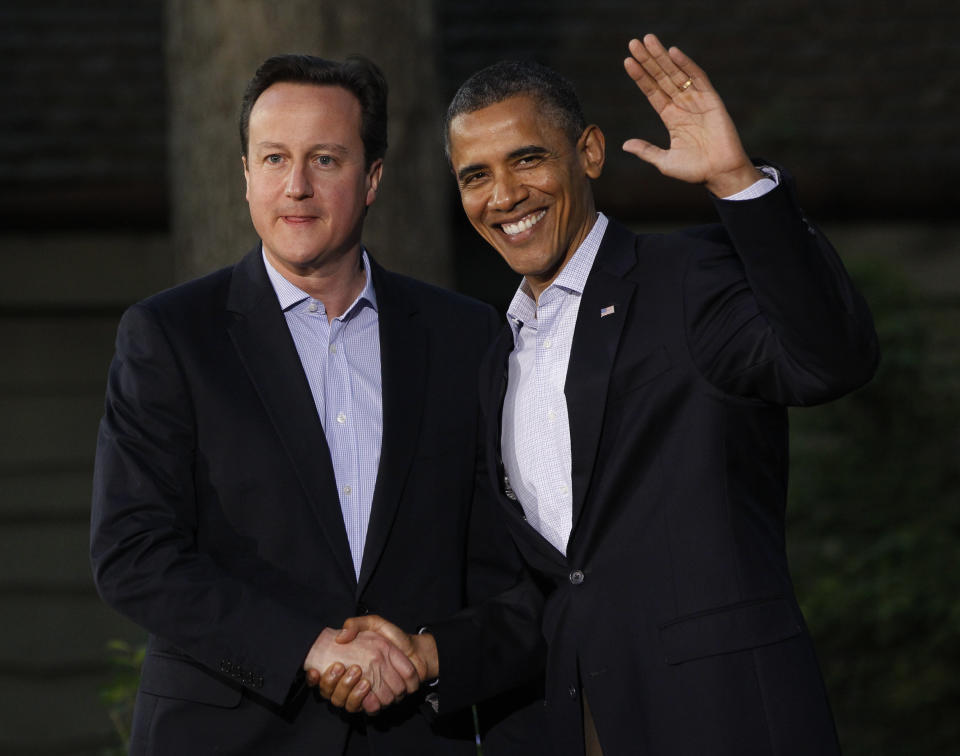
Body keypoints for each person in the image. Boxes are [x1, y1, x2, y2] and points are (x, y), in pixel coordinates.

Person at [335, 34, 879, 755]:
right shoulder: (496, 360)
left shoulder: (685, 276)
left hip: (724, 718)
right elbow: (557, 587)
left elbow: (832, 359)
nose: (504, 196)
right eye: (475, 176)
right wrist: (432, 653)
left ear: (588, 153)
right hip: (571, 725)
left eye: (527, 158)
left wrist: (738, 184)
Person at [90, 53, 544, 755]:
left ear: (372, 179)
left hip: (412, 737)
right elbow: (133, 553)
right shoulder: (171, 337)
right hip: (226, 737)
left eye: (325, 159)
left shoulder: (463, 337)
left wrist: (429, 656)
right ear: (245, 175)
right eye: (274, 158)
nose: (295, 186)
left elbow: (506, 574)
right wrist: (308, 647)